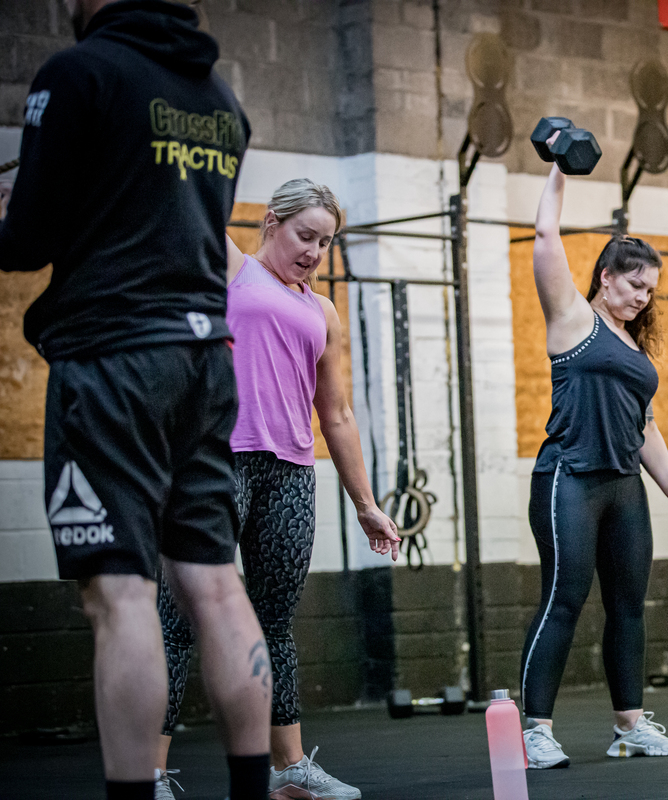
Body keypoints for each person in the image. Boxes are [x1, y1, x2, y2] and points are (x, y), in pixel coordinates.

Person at [0, 1, 272, 798]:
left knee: (120, 595)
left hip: (114, 356)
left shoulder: (79, 72)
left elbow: (28, 240)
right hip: (203, 361)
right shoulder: (221, 100)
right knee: (217, 585)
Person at [154, 179, 402, 800]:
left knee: (275, 623)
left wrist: (366, 504)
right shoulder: (235, 269)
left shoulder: (323, 312)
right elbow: (183, 204)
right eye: (305, 235)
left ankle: (289, 770)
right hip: (215, 463)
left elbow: (337, 415)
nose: (315, 251)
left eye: (326, 242)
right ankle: (150, 772)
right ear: (271, 222)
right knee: (176, 619)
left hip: (290, 474)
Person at [519, 153, 668, 769]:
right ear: (605, 278)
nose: (642, 297)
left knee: (628, 606)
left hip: (626, 486)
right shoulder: (573, 319)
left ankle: (629, 725)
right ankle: (536, 729)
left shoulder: (632, 344)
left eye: (650, 289)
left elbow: (643, 422)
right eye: (634, 285)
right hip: (569, 477)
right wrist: (559, 169)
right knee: (562, 601)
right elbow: (546, 238)